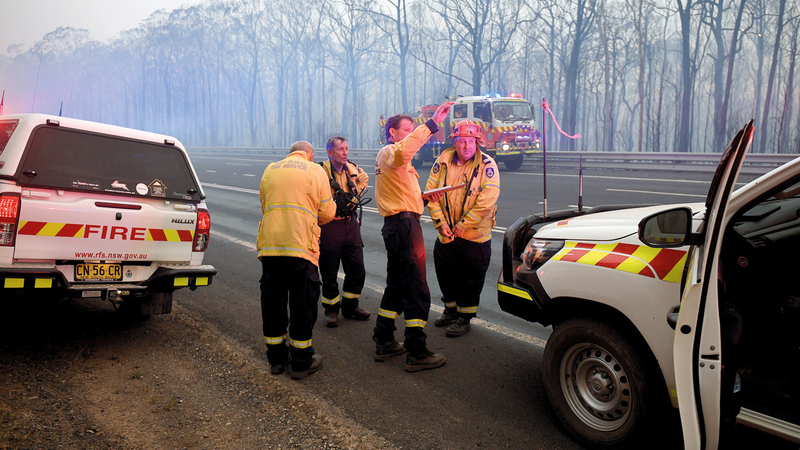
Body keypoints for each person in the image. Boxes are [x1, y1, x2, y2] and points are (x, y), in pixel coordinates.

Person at [372, 102, 452, 372]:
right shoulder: (392, 152)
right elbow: (406, 150)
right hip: (404, 227)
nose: (411, 133)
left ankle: (384, 339)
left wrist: (425, 199)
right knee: (416, 287)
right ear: (392, 133)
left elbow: (404, 197)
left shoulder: (395, 159)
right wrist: (431, 124)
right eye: (407, 129)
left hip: (399, 225)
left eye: (413, 129)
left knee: (396, 285)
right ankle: (416, 351)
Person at [257, 141, 336, 380]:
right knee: (302, 305)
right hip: (301, 248)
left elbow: (265, 205)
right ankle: (302, 362)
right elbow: (326, 213)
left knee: (273, 304)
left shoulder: (271, 169)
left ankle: (276, 360)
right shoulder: (315, 170)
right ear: (310, 155)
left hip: (271, 247)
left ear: (291, 153)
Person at [426, 119, 500, 337]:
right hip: (447, 235)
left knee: (471, 279)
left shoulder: (487, 165)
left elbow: (486, 202)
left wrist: (463, 225)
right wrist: (441, 223)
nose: (467, 146)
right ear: (455, 142)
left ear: (477, 142)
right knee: (445, 274)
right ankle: (450, 310)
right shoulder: (442, 161)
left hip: (474, 237)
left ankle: (464, 318)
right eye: (462, 141)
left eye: (471, 141)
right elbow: (430, 194)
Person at [318, 136, 371, 328]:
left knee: (357, 269)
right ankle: (331, 310)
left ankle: (350, 306)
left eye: (347, 148)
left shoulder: (352, 169)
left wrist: (354, 194)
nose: (345, 152)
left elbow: (365, 179)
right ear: (330, 152)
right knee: (329, 271)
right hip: (330, 226)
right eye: (340, 149)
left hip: (350, 225)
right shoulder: (320, 171)